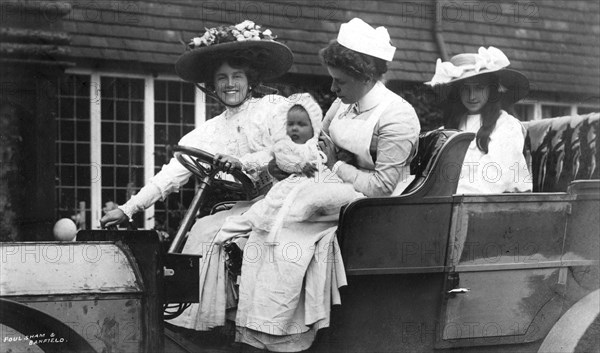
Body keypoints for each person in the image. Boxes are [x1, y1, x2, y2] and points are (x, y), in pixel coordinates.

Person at [99, 20, 293, 228]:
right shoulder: (210, 131)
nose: (229, 84)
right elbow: (170, 176)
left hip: (285, 201)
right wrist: (128, 208)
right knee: (201, 232)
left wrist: (243, 163)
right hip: (248, 207)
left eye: (237, 76)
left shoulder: (272, 107)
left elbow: (291, 148)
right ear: (213, 85)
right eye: (221, 78)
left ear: (250, 80)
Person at [213, 93, 361, 247]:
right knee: (263, 212)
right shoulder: (289, 144)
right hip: (289, 190)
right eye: (290, 124)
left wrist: (332, 163)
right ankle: (234, 233)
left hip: (319, 190)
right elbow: (266, 156)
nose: (294, 129)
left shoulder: (325, 145)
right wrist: (242, 163)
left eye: (301, 124)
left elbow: (341, 165)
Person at [317, 18, 421, 197]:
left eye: (340, 81)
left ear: (366, 77)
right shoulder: (342, 103)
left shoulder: (398, 115)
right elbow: (318, 143)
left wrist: (336, 165)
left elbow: (382, 188)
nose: (333, 88)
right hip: (334, 189)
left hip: (376, 206)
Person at [425, 46, 532, 193]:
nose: (472, 96)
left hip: (501, 204)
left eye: (479, 88)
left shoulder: (506, 126)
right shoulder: (452, 126)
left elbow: (492, 180)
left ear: (491, 89)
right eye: (465, 89)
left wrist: (443, 193)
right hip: (457, 201)